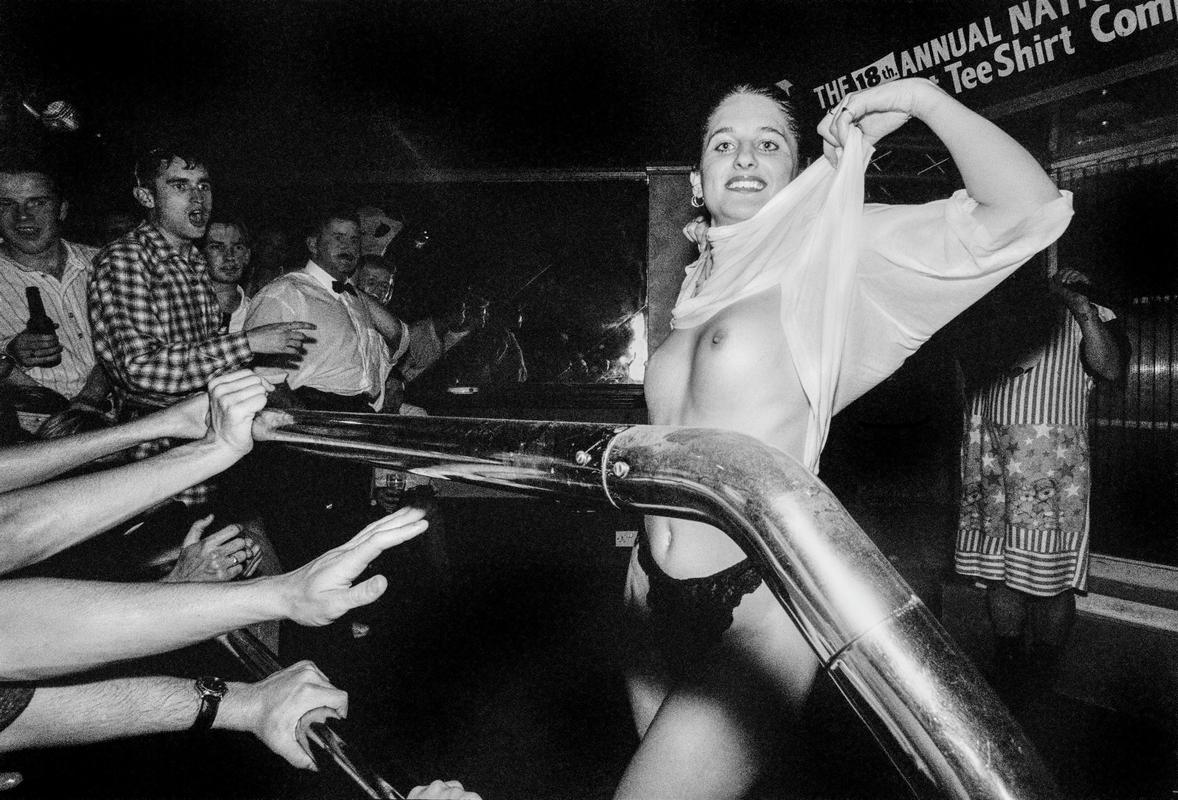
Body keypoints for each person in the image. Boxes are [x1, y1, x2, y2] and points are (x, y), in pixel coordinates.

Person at [620, 77, 1073, 800]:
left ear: (798, 175)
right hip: (648, 591)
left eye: (770, 143)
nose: (744, 155)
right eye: (723, 142)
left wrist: (925, 100)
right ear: (699, 182)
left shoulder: (835, 261)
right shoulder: (701, 285)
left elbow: (1027, 211)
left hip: (758, 602)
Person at [955, 266, 1122, 703]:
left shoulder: (1084, 315)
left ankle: (1044, 671)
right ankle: (1009, 662)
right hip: (990, 461)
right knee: (999, 573)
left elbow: (1109, 369)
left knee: (1052, 578)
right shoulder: (992, 312)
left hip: (1052, 470)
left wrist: (1081, 310)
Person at [244, 207, 408, 413]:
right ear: (313, 244)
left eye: (354, 239)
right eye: (338, 237)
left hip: (360, 414)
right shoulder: (284, 293)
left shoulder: (356, 300)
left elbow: (400, 337)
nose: (348, 246)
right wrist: (302, 417)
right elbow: (259, 369)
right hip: (313, 410)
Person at [0, 157, 110, 430]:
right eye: (6, 205)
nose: (23, 217)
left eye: (38, 202)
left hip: (124, 423)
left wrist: (90, 399)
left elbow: (133, 343)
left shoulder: (105, 263)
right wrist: (9, 353)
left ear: (61, 209)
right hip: (31, 434)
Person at [203, 216, 252, 333]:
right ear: (200, 255)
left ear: (246, 256)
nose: (229, 256)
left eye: (237, 247)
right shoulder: (183, 311)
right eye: (217, 247)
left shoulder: (256, 312)